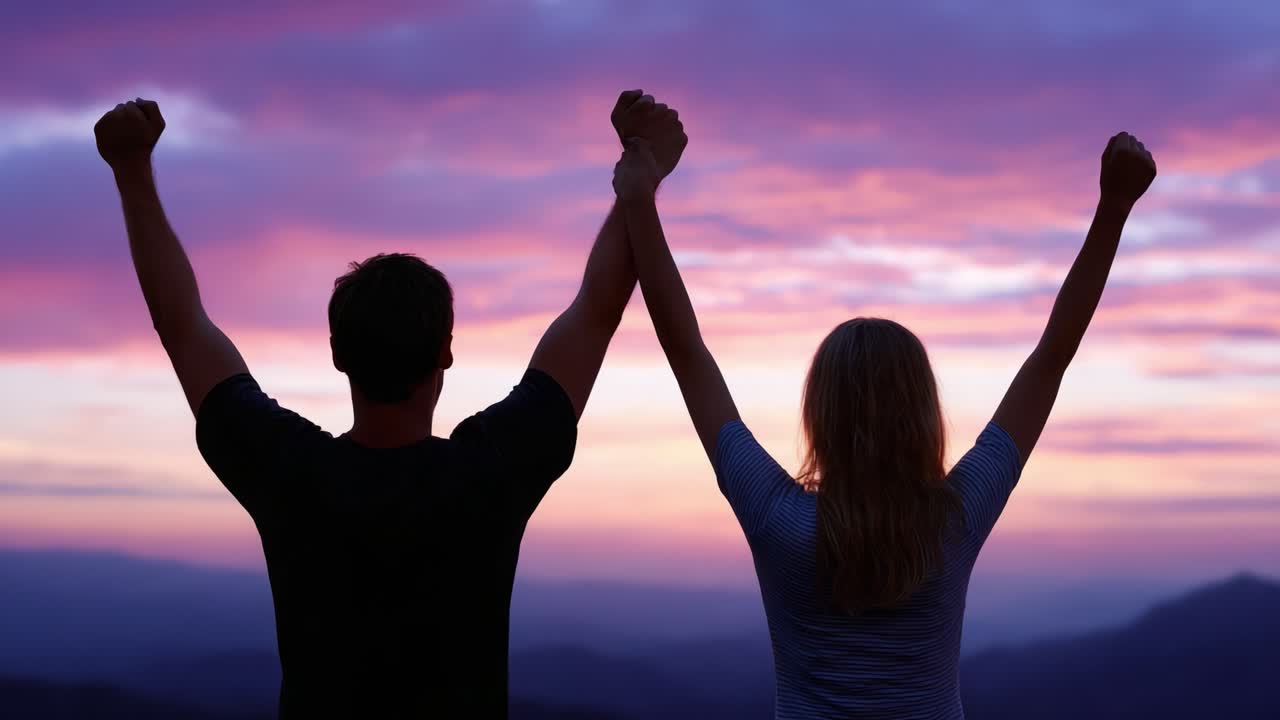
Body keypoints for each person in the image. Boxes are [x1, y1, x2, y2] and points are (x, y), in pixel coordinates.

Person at [94, 91, 685, 718]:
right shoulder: (489, 472)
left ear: (337, 353)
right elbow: (595, 315)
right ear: (446, 352)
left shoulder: (290, 472)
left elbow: (181, 326)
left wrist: (131, 170)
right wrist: (639, 181)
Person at [613, 130, 1156, 718]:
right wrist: (1114, 208)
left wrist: (640, 196)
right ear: (922, 413)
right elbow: (1052, 356)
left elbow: (686, 350)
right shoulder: (955, 518)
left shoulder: (778, 519)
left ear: (820, 414)